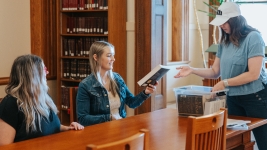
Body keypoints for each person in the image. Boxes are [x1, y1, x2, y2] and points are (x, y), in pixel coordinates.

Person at [174, 2, 267, 150]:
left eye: (224, 22)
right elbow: (214, 72)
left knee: (264, 142)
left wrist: (224, 83)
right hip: (233, 98)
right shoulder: (224, 42)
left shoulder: (253, 37)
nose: (221, 26)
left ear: (235, 20)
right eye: (220, 23)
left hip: (255, 98)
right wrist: (192, 70)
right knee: (235, 141)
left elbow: (253, 74)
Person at [0, 54, 84, 146]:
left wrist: (67, 128)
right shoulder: (10, 104)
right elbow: (5, 146)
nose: (47, 73)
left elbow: (53, 127)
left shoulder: (44, 97)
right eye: (44, 70)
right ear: (32, 75)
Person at [76, 41, 158, 126]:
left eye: (113, 55)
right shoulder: (85, 85)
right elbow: (83, 119)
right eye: (109, 55)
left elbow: (131, 103)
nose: (113, 59)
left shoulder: (117, 78)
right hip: (100, 131)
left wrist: (146, 92)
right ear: (96, 57)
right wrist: (109, 117)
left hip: (121, 127)